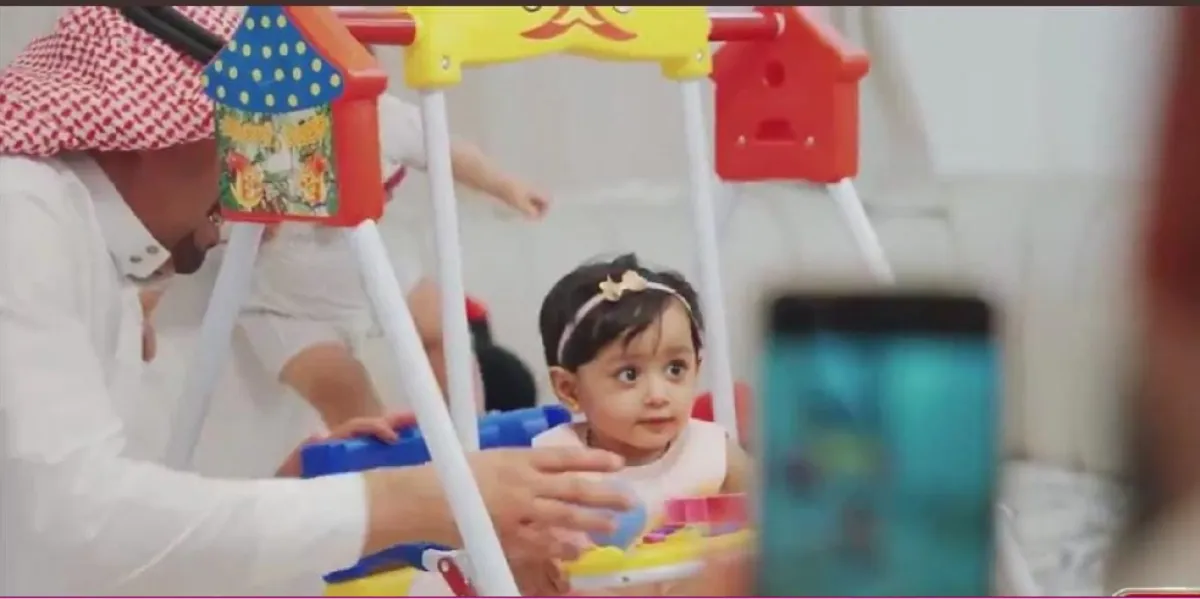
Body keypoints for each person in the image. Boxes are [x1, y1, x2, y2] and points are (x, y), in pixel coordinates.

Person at [0, 6, 631, 595]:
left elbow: (105, 510)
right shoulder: (21, 215)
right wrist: (407, 502)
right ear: (149, 126)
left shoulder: (98, 247)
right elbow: (78, 523)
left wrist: (307, 480)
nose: (262, 185)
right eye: (248, 139)